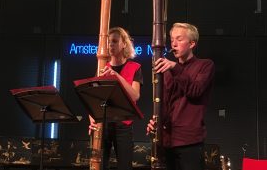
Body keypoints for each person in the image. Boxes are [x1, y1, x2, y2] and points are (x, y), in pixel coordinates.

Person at [147, 22, 215, 170]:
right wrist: (155, 122)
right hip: (167, 141)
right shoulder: (168, 70)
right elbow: (165, 103)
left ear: (192, 43)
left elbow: (195, 91)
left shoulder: (205, 65)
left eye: (179, 39)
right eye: (172, 40)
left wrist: (175, 68)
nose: (174, 44)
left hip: (189, 142)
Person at [89, 27, 143, 170]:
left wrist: (116, 76)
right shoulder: (102, 66)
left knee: (125, 166)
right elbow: (94, 98)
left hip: (123, 125)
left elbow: (135, 95)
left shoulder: (135, 67)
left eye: (114, 41)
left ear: (124, 44)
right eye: (108, 42)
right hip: (103, 124)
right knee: (99, 165)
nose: (110, 45)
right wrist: (91, 117)